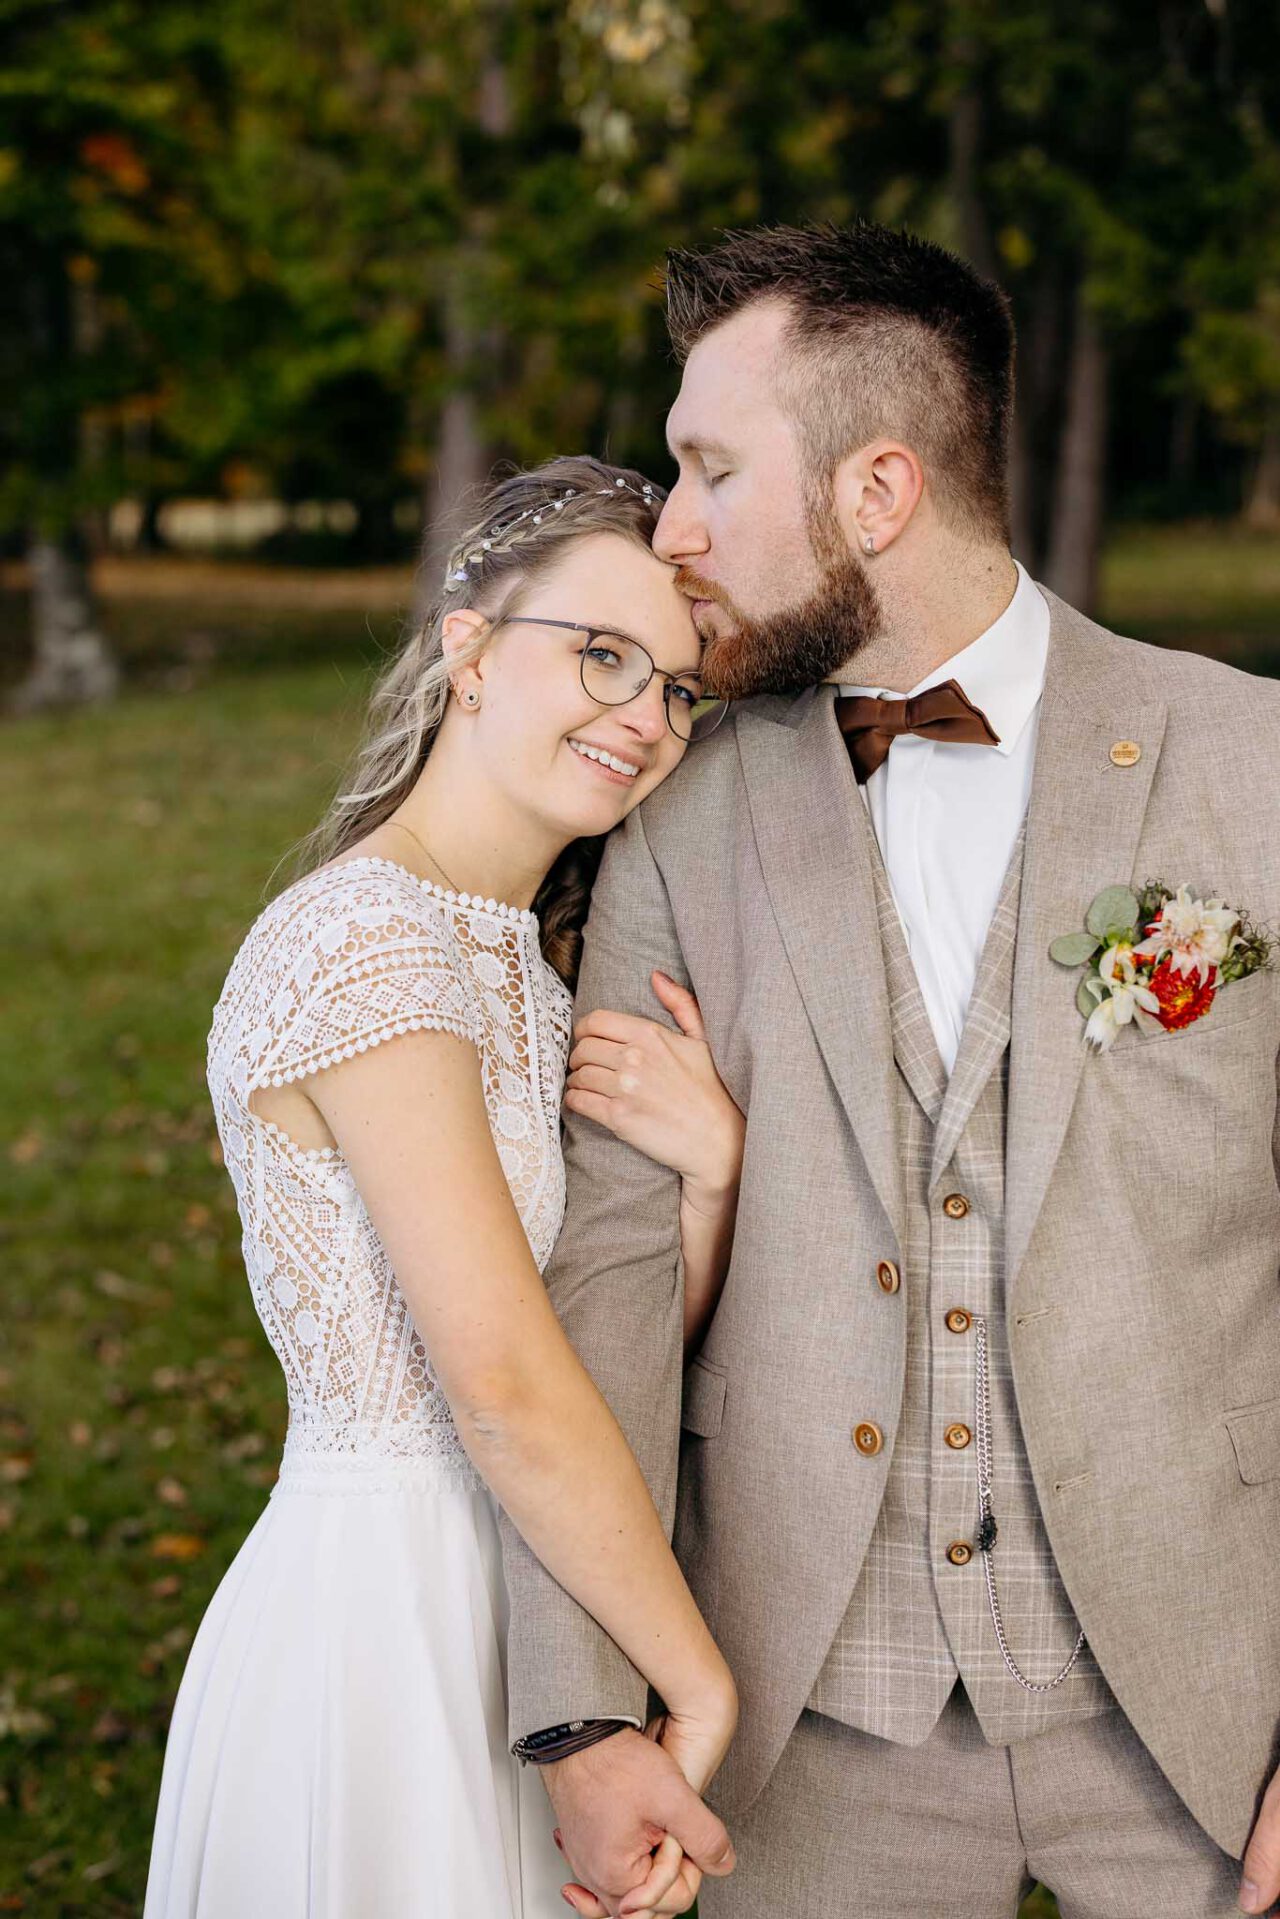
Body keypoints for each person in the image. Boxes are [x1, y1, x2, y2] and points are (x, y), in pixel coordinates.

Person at [502, 226, 1280, 1918]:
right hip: (808, 1722)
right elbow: (613, 1272)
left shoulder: (1256, 765)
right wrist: (578, 1718)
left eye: (710, 470)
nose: (671, 526)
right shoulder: (679, 816)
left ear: (877, 491)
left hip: (1211, 1711)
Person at [143, 456, 746, 1919]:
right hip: (390, 1620)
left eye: (675, 687)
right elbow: (499, 1381)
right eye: (601, 653)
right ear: (466, 648)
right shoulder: (368, 946)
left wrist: (709, 1185)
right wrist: (692, 1676)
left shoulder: (537, 974)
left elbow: (606, 1356)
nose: (643, 718)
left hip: (546, 1608)